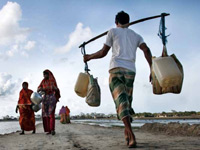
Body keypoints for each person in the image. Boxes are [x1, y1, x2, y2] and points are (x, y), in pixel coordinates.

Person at [84, 11, 152, 148]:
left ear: (116, 22)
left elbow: (103, 53)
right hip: (131, 72)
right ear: (128, 21)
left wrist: (89, 57)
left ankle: (131, 134)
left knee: (122, 102)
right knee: (125, 102)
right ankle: (127, 133)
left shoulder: (112, 32)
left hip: (116, 70)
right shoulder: (136, 35)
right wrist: (152, 68)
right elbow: (146, 50)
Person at [37, 69, 61, 135]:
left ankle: (52, 129)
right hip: (45, 99)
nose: (44, 76)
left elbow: (56, 89)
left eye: (45, 74)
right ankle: (49, 130)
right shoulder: (43, 81)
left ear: (48, 74)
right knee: (45, 115)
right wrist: (40, 89)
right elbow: (38, 89)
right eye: (43, 75)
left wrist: (54, 88)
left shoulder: (52, 81)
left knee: (51, 114)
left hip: (51, 98)